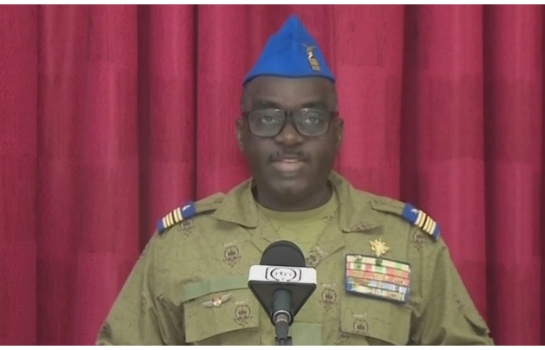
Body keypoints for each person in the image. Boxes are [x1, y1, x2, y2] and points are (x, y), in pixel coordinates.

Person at [96, 15, 494, 346]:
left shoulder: (410, 245)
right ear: (241, 134)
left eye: (310, 118)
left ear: (337, 133)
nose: (289, 136)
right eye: (268, 119)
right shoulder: (182, 247)